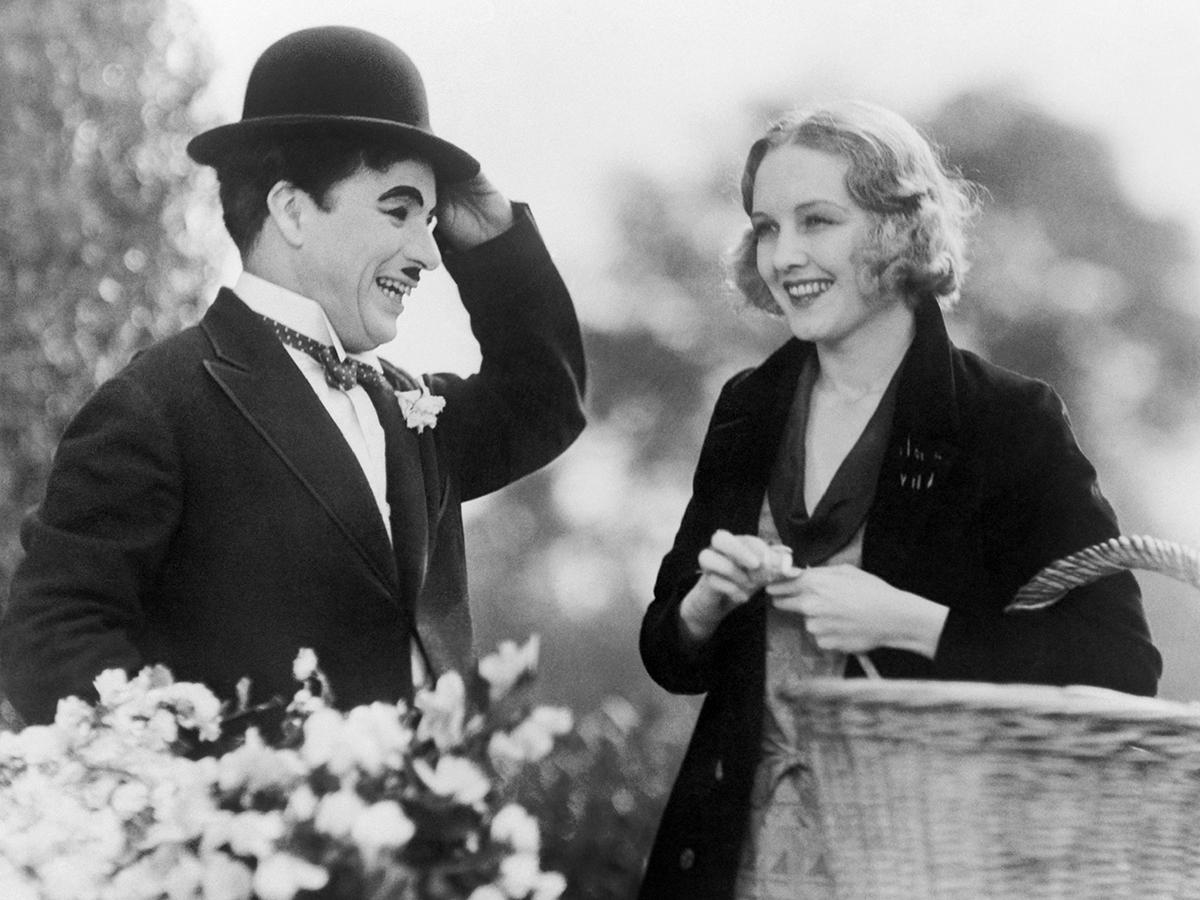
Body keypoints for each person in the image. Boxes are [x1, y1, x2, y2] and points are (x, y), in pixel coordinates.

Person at [637, 101, 1160, 900]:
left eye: (818, 221)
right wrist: (702, 607)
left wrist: (915, 625)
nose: (784, 256)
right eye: (767, 227)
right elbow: (668, 654)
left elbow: (1120, 668)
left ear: (900, 228)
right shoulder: (747, 408)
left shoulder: (1007, 422)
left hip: (922, 869)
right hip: (728, 866)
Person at [0, 26, 585, 725]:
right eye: (398, 211)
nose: (429, 254)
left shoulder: (408, 409)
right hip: (249, 831)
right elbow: (50, 635)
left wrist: (492, 234)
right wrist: (207, 781)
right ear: (292, 210)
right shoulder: (158, 405)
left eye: (431, 220)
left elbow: (545, 398)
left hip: (428, 830)